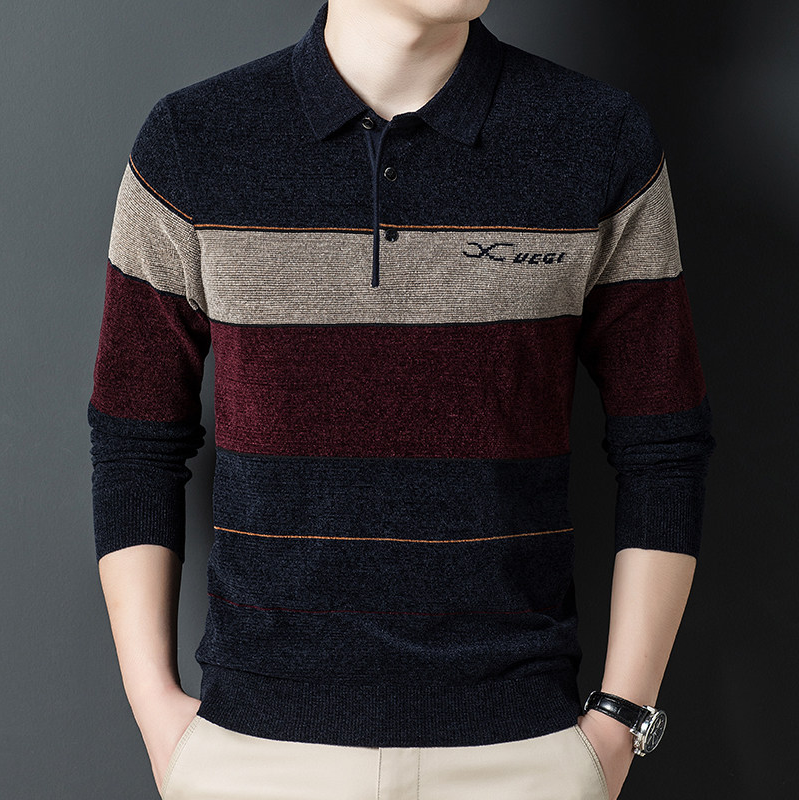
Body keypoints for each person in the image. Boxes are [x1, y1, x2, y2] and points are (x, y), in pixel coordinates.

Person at [87, 1, 716, 798]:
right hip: (254, 754)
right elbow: (134, 439)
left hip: (523, 755)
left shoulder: (599, 138)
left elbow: (663, 445)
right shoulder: (193, 141)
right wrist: (155, 710)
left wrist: (619, 724)